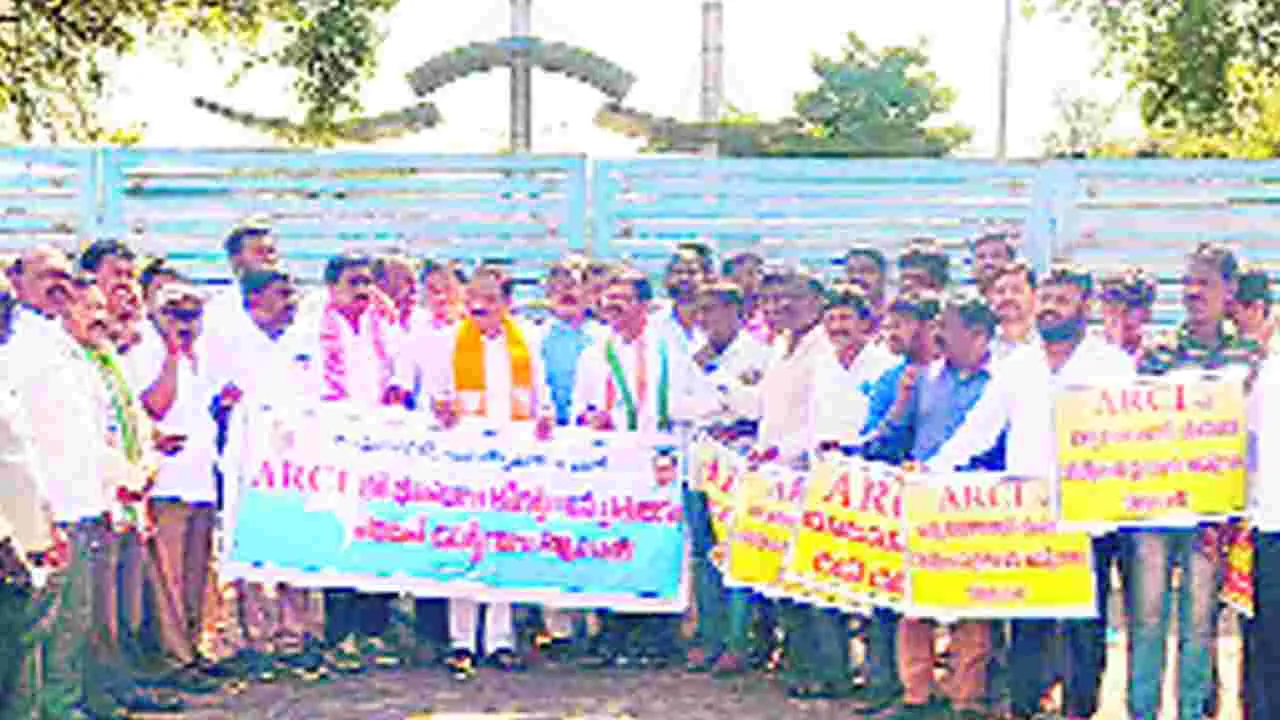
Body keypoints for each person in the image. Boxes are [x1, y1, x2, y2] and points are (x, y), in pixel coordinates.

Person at [861, 291, 1008, 720]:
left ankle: (966, 699)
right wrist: (899, 407)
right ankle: (917, 696)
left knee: (972, 607)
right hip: (925, 502)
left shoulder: (1003, 382)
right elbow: (893, 437)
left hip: (977, 505)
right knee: (915, 605)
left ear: (979, 335)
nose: (938, 334)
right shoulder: (923, 380)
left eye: (949, 327)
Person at [1127, 242, 1258, 720]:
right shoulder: (1157, 353)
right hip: (1154, 510)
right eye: (1187, 282)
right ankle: (1142, 711)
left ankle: (1192, 712)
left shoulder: (1250, 355)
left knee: (1200, 623)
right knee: (1146, 619)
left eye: (1204, 283)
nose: (1193, 292)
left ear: (1230, 290)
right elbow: (1129, 429)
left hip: (1212, 514)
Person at [1004, 263, 1136, 720]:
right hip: (1030, 513)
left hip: (1089, 515)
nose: (1049, 308)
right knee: (1027, 622)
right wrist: (935, 465)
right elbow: (981, 427)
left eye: (1061, 300)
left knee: (1084, 626)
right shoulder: (1017, 363)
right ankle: (1023, 707)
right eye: (1045, 299)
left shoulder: (1112, 365)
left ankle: (1080, 710)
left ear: (1085, 305)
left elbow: (1132, 435)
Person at [573, 267, 714, 668]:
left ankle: (656, 637)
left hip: (659, 466)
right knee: (612, 545)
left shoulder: (670, 351)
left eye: (623, 298)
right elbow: (579, 408)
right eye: (608, 299)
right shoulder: (594, 353)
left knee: (657, 547)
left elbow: (701, 402)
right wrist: (590, 420)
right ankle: (611, 633)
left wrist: (674, 413)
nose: (613, 305)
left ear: (645, 305)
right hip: (613, 465)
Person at [425, 264, 552, 677]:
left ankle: (500, 640)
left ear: (507, 303)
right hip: (464, 460)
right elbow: (433, 397)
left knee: (503, 543)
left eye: (490, 299)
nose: (480, 307)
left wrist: (545, 417)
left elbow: (541, 396)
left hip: (511, 459)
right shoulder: (448, 341)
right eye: (474, 299)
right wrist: (439, 410)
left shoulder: (526, 341)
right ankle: (461, 640)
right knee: (463, 543)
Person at [684, 281, 770, 676]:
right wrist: (716, 403)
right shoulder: (692, 353)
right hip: (701, 460)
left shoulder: (756, 354)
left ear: (736, 312)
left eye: (713, 310)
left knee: (737, 553)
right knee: (704, 554)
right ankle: (710, 637)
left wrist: (718, 385)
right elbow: (679, 405)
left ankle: (739, 641)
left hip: (738, 461)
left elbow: (752, 406)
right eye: (700, 311)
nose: (705, 320)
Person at [984, 258, 1040, 360]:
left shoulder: (1051, 341)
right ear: (990, 298)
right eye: (1000, 291)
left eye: (1017, 290)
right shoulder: (981, 345)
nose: (1008, 297)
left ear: (1035, 295)